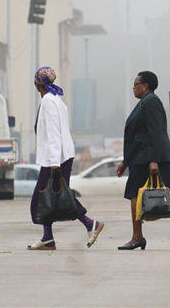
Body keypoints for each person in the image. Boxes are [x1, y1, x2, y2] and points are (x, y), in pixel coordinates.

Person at [116, 71, 170, 250]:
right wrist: (125, 161)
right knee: (152, 198)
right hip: (141, 158)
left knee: (143, 196)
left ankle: (138, 236)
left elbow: (156, 132)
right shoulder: (144, 103)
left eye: (135, 84)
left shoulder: (151, 102)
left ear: (145, 86)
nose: (133, 87)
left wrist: (153, 160)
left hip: (149, 158)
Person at [28, 67, 104, 251]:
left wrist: (54, 163)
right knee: (53, 198)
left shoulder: (48, 101)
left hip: (55, 159)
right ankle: (48, 238)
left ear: (37, 83)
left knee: (46, 200)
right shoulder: (57, 100)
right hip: (59, 157)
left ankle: (90, 223)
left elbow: (54, 133)